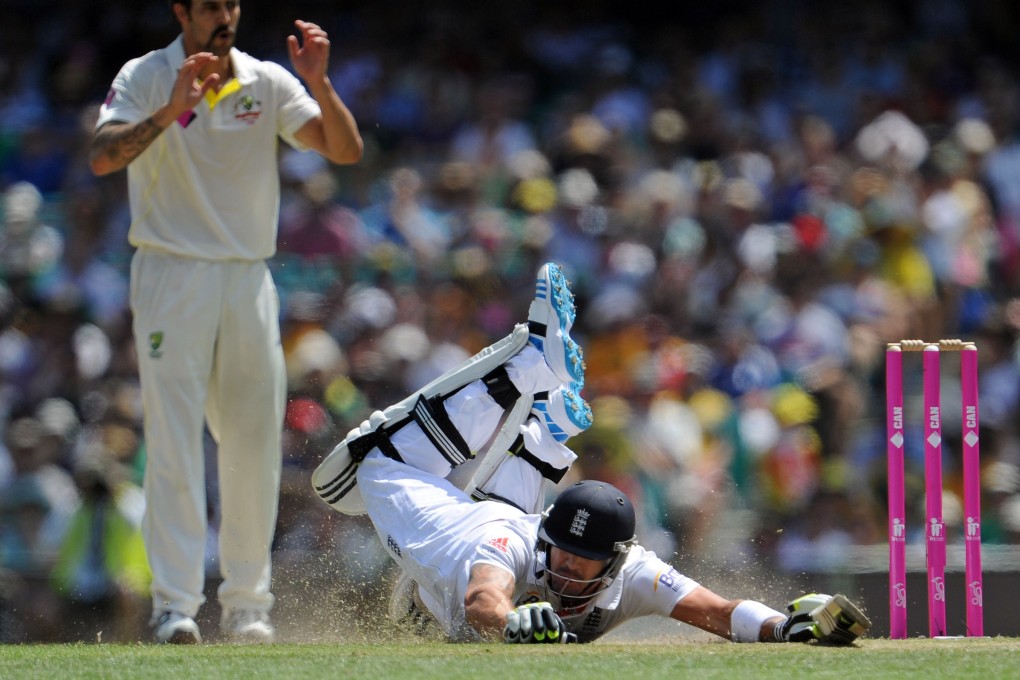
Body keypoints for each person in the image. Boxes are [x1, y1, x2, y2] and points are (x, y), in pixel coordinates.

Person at [312, 263, 871, 645]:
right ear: (546, 540)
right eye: (562, 552)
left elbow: (719, 612)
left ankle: (547, 430)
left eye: (582, 560)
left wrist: (785, 630)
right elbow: (485, 599)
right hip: (478, 531)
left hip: (465, 543)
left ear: (616, 560)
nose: (567, 568)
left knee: (375, 471)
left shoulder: (627, 571)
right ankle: (528, 369)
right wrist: (512, 625)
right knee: (351, 476)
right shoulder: (511, 548)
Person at [89, 0, 363, 644]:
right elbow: (103, 157)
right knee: (176, 438)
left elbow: (343, 150)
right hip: (171, 271)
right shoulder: (145, 75)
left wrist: (320, 82)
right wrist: (171, 107)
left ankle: (247, 608)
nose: (224, 17)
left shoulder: (266, 80)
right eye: (210, 5)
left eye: (231, 5)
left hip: (247, 275)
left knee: (254, 443)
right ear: (182, 11)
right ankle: (175, 606)